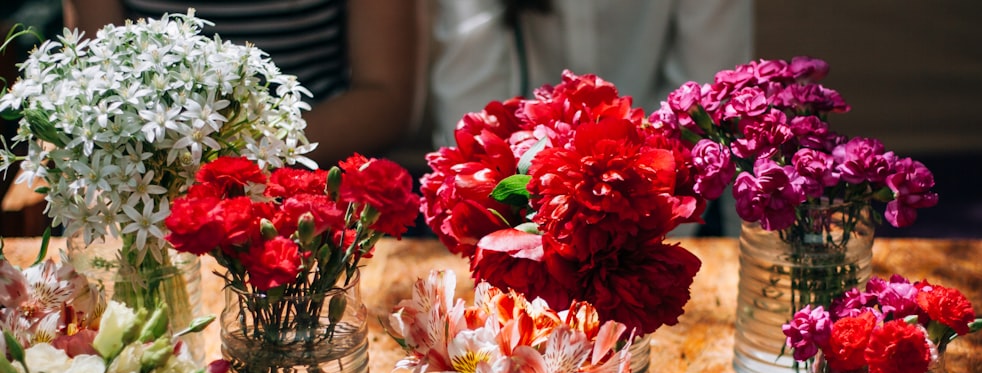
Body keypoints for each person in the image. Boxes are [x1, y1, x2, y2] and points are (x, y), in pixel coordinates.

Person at [429, 0, 754, 236]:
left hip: (662, 202)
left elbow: (702, 99)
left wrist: (647, 229)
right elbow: (471, 95)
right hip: (526, 201)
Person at [66, 0, 425, 169]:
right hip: (150, 174)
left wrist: (232, 158)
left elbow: (386, 99)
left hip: (303, 170)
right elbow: (99, 80)